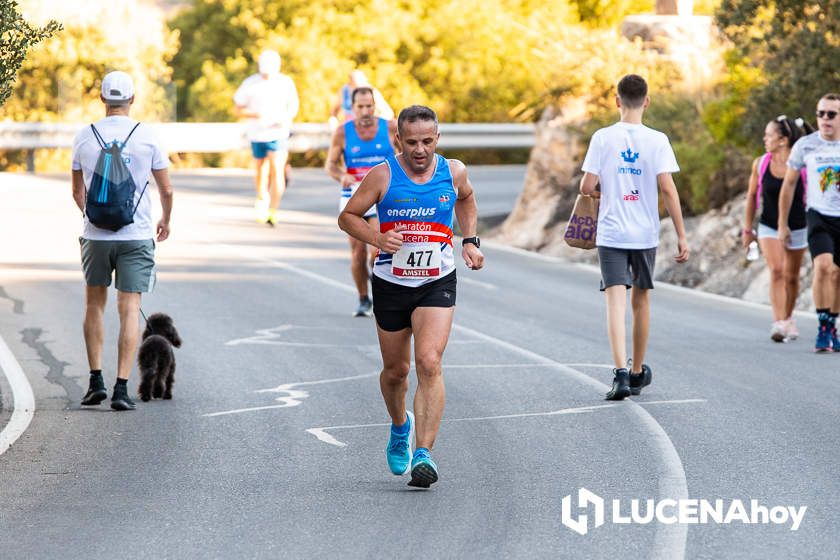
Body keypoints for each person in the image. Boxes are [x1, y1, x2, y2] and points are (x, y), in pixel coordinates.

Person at [338, 105, 485, 488]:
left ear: (438, 138)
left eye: (428, 141)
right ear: (398, 140)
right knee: (396, 372)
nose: (420, 150)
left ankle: (424, 453)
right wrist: (376, 237)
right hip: (390, 283)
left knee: (429, 362)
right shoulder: (383, 175)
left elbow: (467, 199)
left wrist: (468, 241)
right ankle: (400, 425)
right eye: (412, 142)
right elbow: (348, 216)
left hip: (437, 280)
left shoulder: (453, 171)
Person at [579, 74, 689, 400]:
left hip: (612, 231)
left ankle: (620, 374)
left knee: (615, 302)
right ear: (647, 101)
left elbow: (586, 187)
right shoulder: (657, 140)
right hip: (645, 233)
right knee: (641, 301)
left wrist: (606, 191)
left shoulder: (602, 137)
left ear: (616, 101)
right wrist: (682, 236)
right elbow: (668, 189)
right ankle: (639, 371)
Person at [71, 70, 173, 411]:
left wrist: (94, 217)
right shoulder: (147, 136)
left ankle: (95, 380)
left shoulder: (85, 137)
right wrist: (165, 219)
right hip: (137, 234)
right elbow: (166, 188)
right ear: (132, 99)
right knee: (129, 309)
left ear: (102, 99)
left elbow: (77, 191)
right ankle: (121, 388)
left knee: (93, 305)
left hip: (95, 235)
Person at [326, 86, 398, 316]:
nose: (366, 111)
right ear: (352, 108)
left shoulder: (389, 127)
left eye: (370, 106)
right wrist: (341, 175)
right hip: (354, 195)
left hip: (382, 196)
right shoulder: (342, 132)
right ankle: (363, 298)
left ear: (375, 106)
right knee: (357, 251)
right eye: (361, 106)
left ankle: (380, 288)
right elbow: (330, 165)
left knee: (377, 249)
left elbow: (406, 154)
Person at [779, 93, 840, 352]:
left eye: (831, 114)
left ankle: (832, 325)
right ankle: (823, 325)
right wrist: (783, 223)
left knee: (837, 273)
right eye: (820, 113)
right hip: (818, 215)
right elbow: (789, 184)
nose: (824, 119)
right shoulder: (805, 145)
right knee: (823, 266)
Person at [742, 116, 812, 342]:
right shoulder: (761, 163)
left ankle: (788, 317)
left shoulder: (802, 164)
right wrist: (747, 229)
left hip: (798, 226)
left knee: (792, 276)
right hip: (769, 225)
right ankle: (779, 321)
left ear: (783, 140)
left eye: (769, 135)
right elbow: (752, 196)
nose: (765, 139)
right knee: (777, 270)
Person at [233, 49, 299, 226]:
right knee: (261, 170)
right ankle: (262, 197)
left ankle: (273, 210)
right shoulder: (250, 83)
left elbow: (293, 108)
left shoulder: (285, 83)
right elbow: (237, 109)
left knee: (277, 170)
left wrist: (282, 119)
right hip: (257, 133)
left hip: (278, 133)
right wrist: (256, 114)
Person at [329, 70, 394, 126]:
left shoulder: (372, 92)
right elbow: (334, 110)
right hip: (349, 129)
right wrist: (334, 120)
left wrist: (375, 123)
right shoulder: (344, 91)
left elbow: (388, 113)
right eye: (353, 83)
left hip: (368, 128)